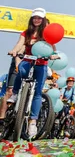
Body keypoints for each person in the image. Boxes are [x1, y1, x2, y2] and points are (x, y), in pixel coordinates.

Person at [6, 8, 59, 138]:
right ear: (32, 19)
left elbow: (52, 47)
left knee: (37, 93)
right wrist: (14, 51)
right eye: (35, 17)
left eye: (39, 18)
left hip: (41, 64)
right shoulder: (26, 33)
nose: (37, 20)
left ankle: (32, 122)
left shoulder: (46, 33)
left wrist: (53, 55)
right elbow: (20, 44)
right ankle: (15, 93)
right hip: (28, 59)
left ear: (43, 20)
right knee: (20, 71)